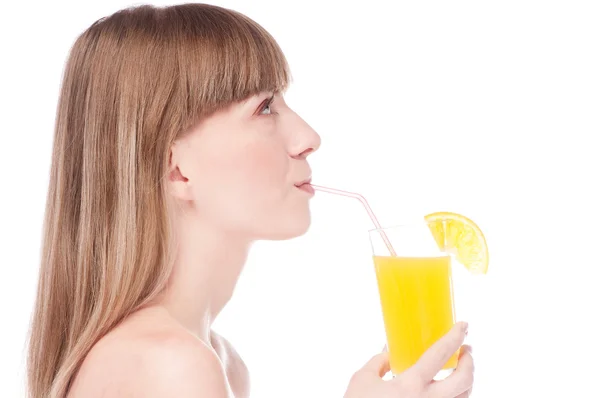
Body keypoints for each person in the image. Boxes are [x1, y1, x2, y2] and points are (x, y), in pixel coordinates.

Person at [26, 3, 474, 398]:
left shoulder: (220, 360)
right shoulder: (172, 366)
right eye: (264, 108)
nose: (308, 138)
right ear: (178, 169)